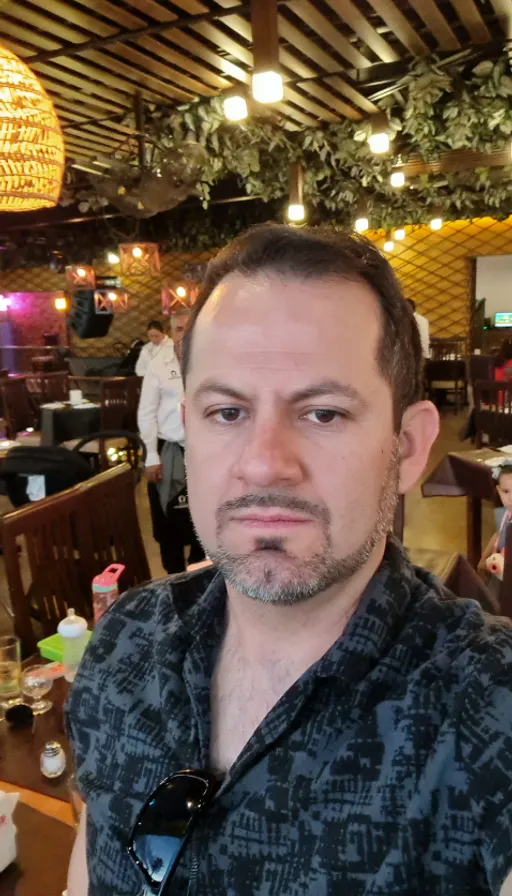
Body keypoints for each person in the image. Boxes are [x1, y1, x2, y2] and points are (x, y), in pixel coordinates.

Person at [67, 225, 512, 896]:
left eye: (324, 413)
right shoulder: (124, 641)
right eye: (227, 411)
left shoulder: (484, 704)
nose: (265, 462)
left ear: (410, 446)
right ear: (188, 423)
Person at [137, 332, 205, 574]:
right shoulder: (158, 365)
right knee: (168, 520)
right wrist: (151, 457)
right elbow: (146, 413)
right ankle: (173, 577)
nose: (182, 334)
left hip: (204, 452)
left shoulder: (209, 359)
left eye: (189, 327)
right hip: (170, 450)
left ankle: (200, 572)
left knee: (204, 517)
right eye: (177, 329)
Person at [478, 460, 512, 576]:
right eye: (506, 491)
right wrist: (483, 560)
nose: (511, 498)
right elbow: (498, 534)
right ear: (498, 490)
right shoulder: (505, 513)